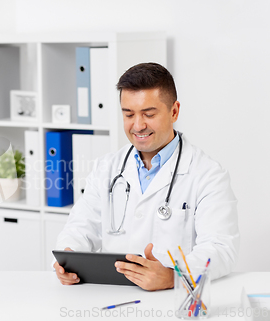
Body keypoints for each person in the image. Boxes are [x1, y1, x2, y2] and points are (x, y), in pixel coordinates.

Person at [54, 62, 239, 291]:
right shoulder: (107, 168)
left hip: (174, 301)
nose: (138, 125)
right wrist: (69, 257)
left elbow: (221, 248)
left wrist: (174, 276)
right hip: (113, 296)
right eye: (129, 114)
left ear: (174, 111)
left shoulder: (208, 174)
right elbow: (80, 227)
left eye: (148, 114)